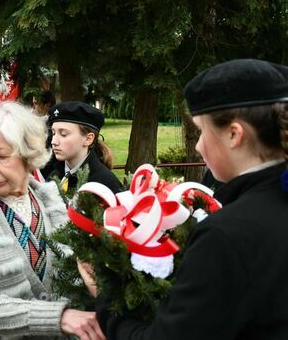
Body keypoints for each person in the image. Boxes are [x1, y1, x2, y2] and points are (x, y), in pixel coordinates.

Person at [78, 59, 288, 339]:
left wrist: (106, 296)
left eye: (202, 131)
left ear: (234, 134)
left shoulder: (225, 235)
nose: (199, 146)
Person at [0, 102, 104, 339]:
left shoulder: (55, 198)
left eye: (1, 156)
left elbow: (77, 270)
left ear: (28, 155)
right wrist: (58, 317)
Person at [47, 101, 122, 194]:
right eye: (53, 133)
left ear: (88, 139)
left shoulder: (104, 185)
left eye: (63, 134)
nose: (53, 141)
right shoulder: (54, 175)